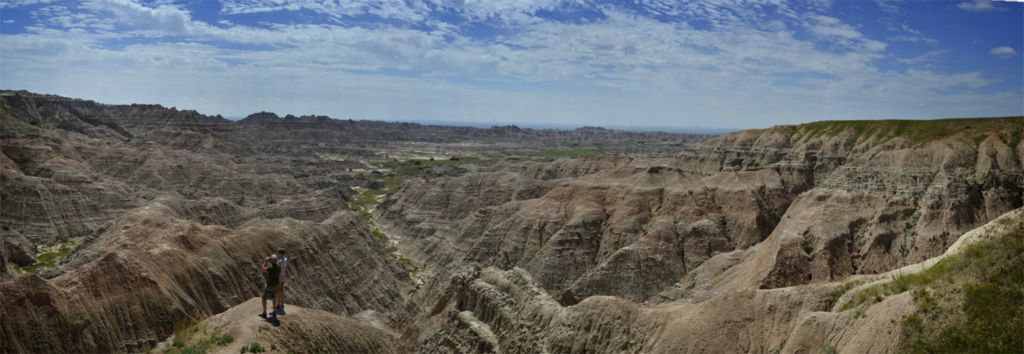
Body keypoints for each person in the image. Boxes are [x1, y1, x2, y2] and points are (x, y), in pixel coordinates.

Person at [260, 255, 280, 319]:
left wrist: (265, 261)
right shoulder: (278, 267)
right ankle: (274, 312)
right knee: (274, 297)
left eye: (271, 260)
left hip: (270, 285)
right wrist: (271, 260)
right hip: (276, 284)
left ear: (273, 261)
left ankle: (264, 313)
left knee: (263, 297)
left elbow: (262, 270)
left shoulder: (272, 268)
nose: (270, 260)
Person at [275, 249, 288, 315]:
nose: (278, 255)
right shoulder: (285, 259)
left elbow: (275, 269)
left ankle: (278, 305)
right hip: (283, 277)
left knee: (278, 291)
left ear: (280, 254)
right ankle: (282, 304)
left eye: (278, 254)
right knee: (281, 291)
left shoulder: (279, 261)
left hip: (279, 278)